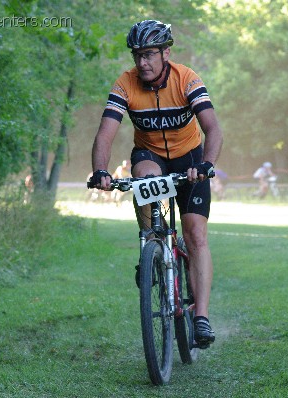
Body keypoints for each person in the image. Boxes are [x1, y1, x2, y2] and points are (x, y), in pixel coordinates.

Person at [89, 20, 223, 348]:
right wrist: (100, 171)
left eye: (149, 55)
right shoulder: (125, 83)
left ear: (166, 52)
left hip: (190, 159)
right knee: (144, 180)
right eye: (137, 56)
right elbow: (106, 132)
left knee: (195, 235)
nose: (142, 63)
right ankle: (150, 247)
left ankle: (201, 317)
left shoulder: (187, 79)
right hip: (150, 153)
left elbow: (213, 129)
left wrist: (206, 165)